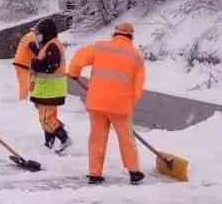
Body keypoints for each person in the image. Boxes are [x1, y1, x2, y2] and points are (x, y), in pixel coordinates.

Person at [67, 21, 146, 185]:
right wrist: (131, 103)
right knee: (126, 138)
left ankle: (95, 174)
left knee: (97, 138)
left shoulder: (100, 47)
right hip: (120, 105)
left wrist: (74, 73)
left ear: (115, 34)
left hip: (96, 102)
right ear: (131, 37)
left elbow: (79, 57)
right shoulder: (136, 55)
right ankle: (134, 172)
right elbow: (138, 86)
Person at [28, 17, 72, 154]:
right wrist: (36, 50)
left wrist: (35, 63)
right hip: (45, 89)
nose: (37, 36)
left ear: (45, 33)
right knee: (44, 118)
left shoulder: (53, 45)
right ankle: (48, 143)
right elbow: (46, 58)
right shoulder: (49, 45)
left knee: (47, 118)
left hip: (50, 89)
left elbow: (50, 66)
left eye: (38, 33)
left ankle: (64, 138)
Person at [12, 27, 38, 101]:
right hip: (23, 63)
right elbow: (33, 48)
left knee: (27, 84)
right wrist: (40, 54)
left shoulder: (29, 35)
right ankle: (23, 102)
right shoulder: (32, 37)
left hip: (21, 62)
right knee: (25, 85)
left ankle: (26, 99)